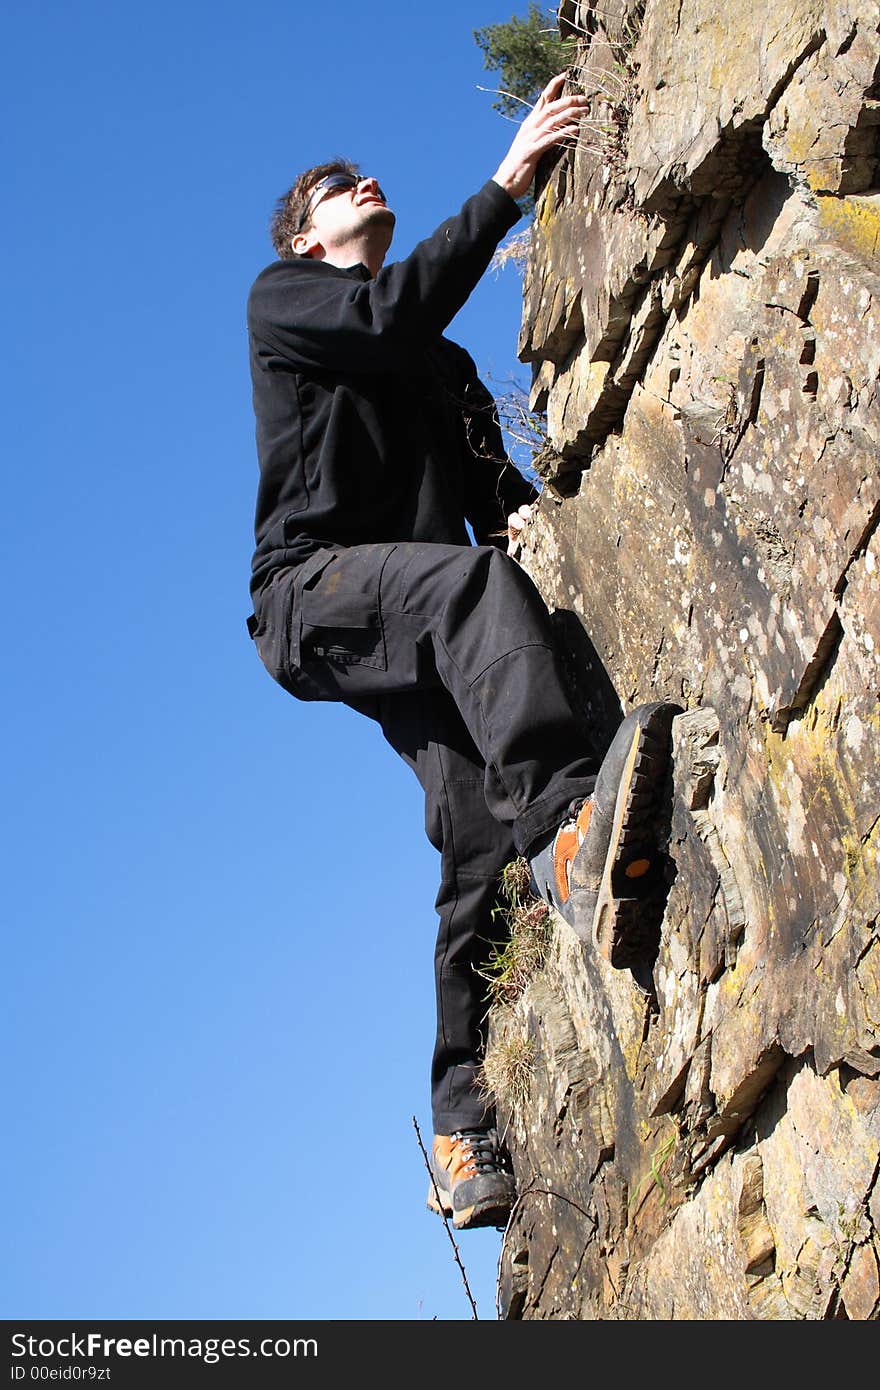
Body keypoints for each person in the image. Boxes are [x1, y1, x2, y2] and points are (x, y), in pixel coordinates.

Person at [246, 75, 679, 1231]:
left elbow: (496, 492)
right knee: (473, 589)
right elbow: (385, 318)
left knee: (474, 839)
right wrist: (508, 183)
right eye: (341, 188)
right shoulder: (287, 300)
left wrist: (542, 512)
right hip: (312, 595)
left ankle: (461, 1121)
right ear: (307, 233)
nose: (365, 183)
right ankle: (575, 821)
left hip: (422, 621)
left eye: (367, 175)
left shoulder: (434, 362)